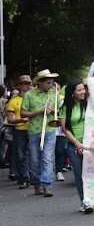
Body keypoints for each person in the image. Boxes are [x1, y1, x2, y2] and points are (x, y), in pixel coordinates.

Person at [19, 69, 60, 197]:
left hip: (50, 130)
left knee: (47, 158)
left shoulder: (54, 94)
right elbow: (22, 113)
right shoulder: (29, 95)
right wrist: (38, 112)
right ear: (40, 83)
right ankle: (37, 184)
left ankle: (47, 185)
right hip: (34, 130)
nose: (50, 85)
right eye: (48, 83)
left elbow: (59, 110)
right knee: (35, 159)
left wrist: (53, 110)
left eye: (52, 83)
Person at [61, 80, 93, 213]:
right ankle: (85, 202)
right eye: (79, 90)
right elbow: (65, 129)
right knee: (79, 174)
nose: (82, 92)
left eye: (83, 89)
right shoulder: (65, 108)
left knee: (91, 173)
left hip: (90, 144)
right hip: (73, 146)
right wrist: (76, 143)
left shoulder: (89, 104)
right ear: (72, 93)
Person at [5, 76, 31, 188]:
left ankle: (34, 177)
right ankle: (24, 178)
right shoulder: (14, 101)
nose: (27, 86)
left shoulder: (33, 98)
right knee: (20, 155)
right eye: (24, 83)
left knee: (34, 154)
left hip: (33, 130)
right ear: (19, 85)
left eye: (29, 83)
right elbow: (10, 119)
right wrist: (20, 120)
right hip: (19, 130)